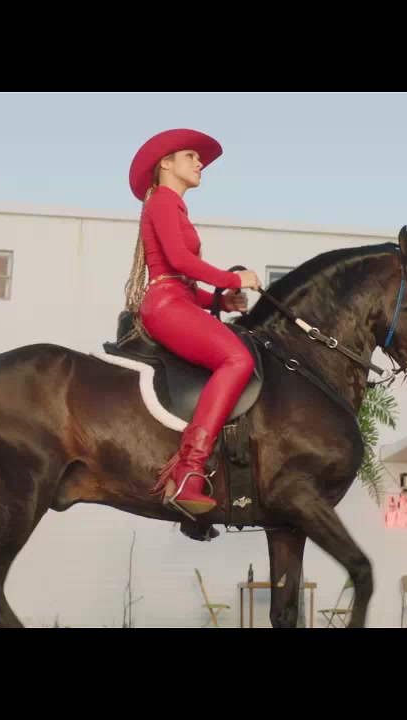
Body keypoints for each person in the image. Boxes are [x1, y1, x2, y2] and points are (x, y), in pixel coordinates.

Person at [123, 128, 261, 516]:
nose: (199, 163)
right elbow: (180, 262)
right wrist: (234, 279)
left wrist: (220, 300)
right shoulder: (162, 201)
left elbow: (178, 279)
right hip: (166, 305)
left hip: (175, 299)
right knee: (238, 359)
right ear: (165, 164)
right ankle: (190, 471)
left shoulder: (172, 206)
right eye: (191, 156)